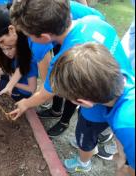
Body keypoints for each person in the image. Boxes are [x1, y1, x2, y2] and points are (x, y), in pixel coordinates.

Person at [49, 43, 135, 175]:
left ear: (84, 103)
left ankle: (83, 165)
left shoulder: (126, 125)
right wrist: (122, 155)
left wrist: (124, 169)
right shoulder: (122, 78)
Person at [37, 0, 106, 136]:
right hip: (61, 34)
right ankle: (56, 109)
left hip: (78, 39)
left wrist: (82, 38)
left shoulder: (73, 11)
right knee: (59, 74)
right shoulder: (43, 14)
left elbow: (99, 17)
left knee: (73, 81)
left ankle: (64, 121)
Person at [0, 5, 53, 101]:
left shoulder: (37, 41)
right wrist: (9, 85)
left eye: (1, 41)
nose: (1, 46)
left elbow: (48, 86)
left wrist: (27, 104)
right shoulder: (22, 33)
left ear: (11, 29)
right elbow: (21, 65)